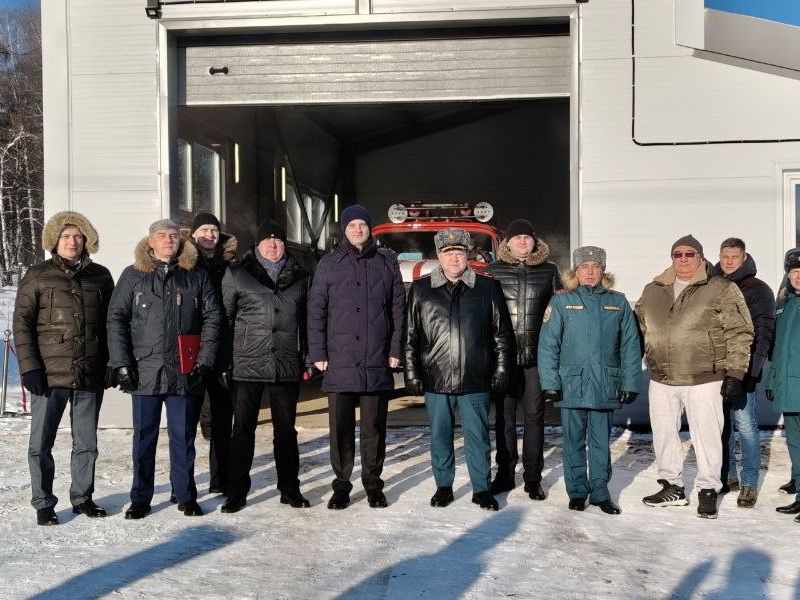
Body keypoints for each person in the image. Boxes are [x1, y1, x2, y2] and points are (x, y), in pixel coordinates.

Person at [107, 219, 220, 519]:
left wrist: (205, 358)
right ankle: (140, 498)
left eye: (173, 236)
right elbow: (116, 319)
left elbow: (213, 318)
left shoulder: (196, 276)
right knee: (144, 438)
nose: (169, 240)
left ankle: (185, 494)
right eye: (162, 236)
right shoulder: (133, 276)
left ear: (181, 241)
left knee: (183, 437)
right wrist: (121, 363)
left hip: (184, 371)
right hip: (145, 371)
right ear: (150, 242)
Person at [635, 234, 753, 519]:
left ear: (700, 257)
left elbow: (740, 331)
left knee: (707, 436)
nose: (684, 259)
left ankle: (708, 489)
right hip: (662, 378)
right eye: (678, 254)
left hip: (705, 378)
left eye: (690, 254)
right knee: (664, 435)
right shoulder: (653, 290)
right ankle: (672, 486)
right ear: (671, 258)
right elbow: (639, 330)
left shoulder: (721, 288)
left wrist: (735, 373)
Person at [13, 211, 115, 526]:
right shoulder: (37, 275)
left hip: (89, 372)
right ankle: (44, 502)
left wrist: (111, 362)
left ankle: (82, 498)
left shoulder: (101, 276)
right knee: (41, 443)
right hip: (48, 374)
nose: (72, 242)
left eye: (78, 236)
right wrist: (30, 368)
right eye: (66, 236)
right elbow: (22, 324)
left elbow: (112, 324)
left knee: (87, 443)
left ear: (87, 240)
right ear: (55, 241)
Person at [404, 227, 513, 511]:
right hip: (436, 377)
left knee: (478, 438)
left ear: (467, 255)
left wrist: (501, 370)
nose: (454, 258)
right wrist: (412, 373)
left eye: (459, 252)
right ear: (438, 255)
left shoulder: (487, 287)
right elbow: (410, 336)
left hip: (475, 377)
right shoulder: (421, 289)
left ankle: (481, 489)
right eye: (448, 252)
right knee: (440, 437)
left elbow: (501, 334)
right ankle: (443, 486)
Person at [307, 204, 405, 510]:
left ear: (370, 228)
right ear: (344, 230)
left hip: (376, 357)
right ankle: (342, 485)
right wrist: (317, 352)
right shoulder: (329, 264)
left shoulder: (386, 262)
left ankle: (373, 485)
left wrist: (395, 349)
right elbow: (316, 310)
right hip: (339, 358)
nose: (358, 229)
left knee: (373, 427)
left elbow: (398, 310)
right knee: (341, 428)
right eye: (352, 225)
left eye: (362, 224)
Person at [538, 246, 641, 514]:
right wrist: (550, 383)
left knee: (600, 442)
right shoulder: (561, 302)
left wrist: (630, 383)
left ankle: (600, 493)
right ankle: (577, 492)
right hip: (572, 384)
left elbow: (630, 345)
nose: (590, 272)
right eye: (585, 267)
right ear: (576, 272)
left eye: (596, 267)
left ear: (603, 271)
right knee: (573, 441)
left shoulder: (617, 302)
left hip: (605, 384)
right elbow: (548, 345)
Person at [218, 219, 311, 513]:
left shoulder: (301, 277)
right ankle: (236, 491)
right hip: (247, 363)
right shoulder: (237, 273)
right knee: (242, 429)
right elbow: (224, 321)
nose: (273, 245)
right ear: (257, 244)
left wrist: (308, 357)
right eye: (267, 240)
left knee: (286, 431)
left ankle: (290, 489)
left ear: (285, 244)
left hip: (285, 362)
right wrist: (224, 362)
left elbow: (308, 322)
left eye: (278, 240)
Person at [485, 218, 563, 500]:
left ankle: (533, 478)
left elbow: (559, 312)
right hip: (503, 358)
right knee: (504, 419)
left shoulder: (549, 270)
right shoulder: (493, 271)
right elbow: (485, 314)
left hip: (536, 358)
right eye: (516, 238)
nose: (522, 242)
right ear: (507, 243)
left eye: (527, 238)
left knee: (534, 417)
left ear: (534, 241)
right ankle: (505, 474)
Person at [715, 238, 775, 507]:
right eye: (724, 256)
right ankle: (728, 476)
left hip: (744, 370)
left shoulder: (758, 289)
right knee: (723, 426)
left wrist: (751, 372)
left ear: (744, 257)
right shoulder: (714, 285)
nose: (728, 262)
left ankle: (749, 482)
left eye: (734, 257)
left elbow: (764, 334)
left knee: (746, 426)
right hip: (718, 371)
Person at [183, 212, 238, 496]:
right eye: (204, 230)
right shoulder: (183, 265)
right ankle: (184, 482)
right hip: (191, 349)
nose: (209, 235)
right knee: (186, 421)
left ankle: (221, 479)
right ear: (193, 234)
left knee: (221, 419)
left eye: (214, 230)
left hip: (223, 349)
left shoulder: (231, 266)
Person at [765, 248, 800, 523]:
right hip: (788, 387)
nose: (798, 277)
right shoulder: (785, 305)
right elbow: (777, 350)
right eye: (794, 272)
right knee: (795, 444)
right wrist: (772, 379)